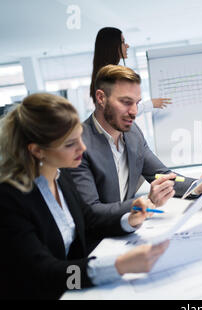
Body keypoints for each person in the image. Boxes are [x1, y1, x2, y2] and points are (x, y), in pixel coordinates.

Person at [0, 93, 170, 299]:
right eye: (70, 144)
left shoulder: (60, 176)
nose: (82, 148)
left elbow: (89, 221)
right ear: (37, 150)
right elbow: (43, 275)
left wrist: (129, 219)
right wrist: (118, 266)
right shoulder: (9, 200)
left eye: (80, 136)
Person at [70, 64, 202, 221]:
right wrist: (147, 203)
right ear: (101, 98)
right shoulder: (77, 145)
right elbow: (91, 212)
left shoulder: (133, 133)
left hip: (131, 229)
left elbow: (162, 176)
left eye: (137, 103)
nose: (134, 111)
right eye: (126, 102)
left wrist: (197, 186)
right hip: (100, 240)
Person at [90, 27, 171, 111]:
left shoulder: (104, 75)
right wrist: (151, 104)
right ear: (112, 47)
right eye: (123, 42)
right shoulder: (109, 77)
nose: (127, 46)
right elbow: (123, 111)